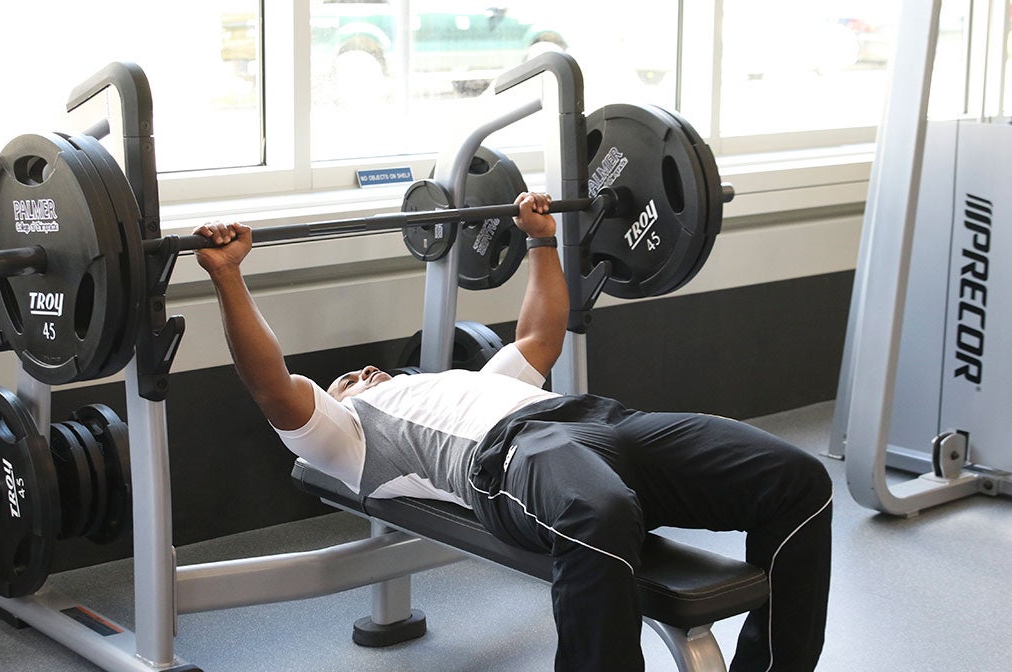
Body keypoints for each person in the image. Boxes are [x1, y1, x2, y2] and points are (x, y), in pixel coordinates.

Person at [193, 192, 832, 672]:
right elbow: (271, 384)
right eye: (345, 379)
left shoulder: (474, 377)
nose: (360, 373)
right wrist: (227, 276)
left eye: (365, 371)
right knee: (599, 514)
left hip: (609, 422)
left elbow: (539, 335)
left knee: (797, 480)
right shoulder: (348, 436)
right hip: (515, 457)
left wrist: (540, 239)